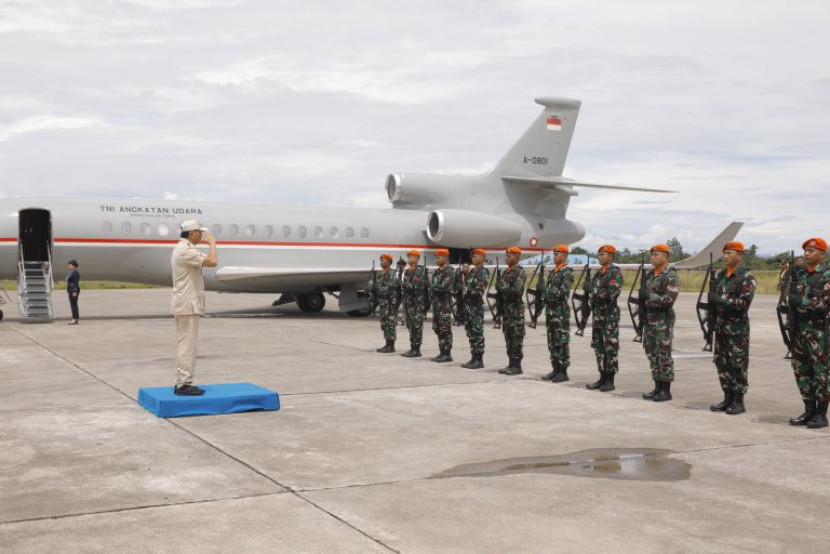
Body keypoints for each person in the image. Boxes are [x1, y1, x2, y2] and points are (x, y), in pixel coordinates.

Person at [707, 242, 757, 414]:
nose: (726, 256)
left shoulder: (746, 278)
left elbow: (743, 303)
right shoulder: (721, 276)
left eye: (729, 253)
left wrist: (719, 300)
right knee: (722, 362)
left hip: (737, 329)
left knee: (738, 363)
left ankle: (738, 400)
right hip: (721, 327)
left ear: (740, 255)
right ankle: (727, 397)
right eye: (725, 253)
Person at [786, 238, 830, 429]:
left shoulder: (826, 276)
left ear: (822, 254)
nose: (806, 254)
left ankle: (821, 413)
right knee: (801, 372)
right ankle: (808, 409)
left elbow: (823, 305)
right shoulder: (800, 275)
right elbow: (790, 302)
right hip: (799, 332)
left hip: (818, 332)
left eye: (811, 250)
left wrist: (801, 302)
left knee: (821, 373)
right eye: (805, 250)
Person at [171, 220, 218, 396]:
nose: (202, 235)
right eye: (200, 232)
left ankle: (183, 382)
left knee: (187, 344)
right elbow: (212, 261)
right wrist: (212, 241)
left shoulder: (183, 248)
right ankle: (183, 384)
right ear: (191, 234)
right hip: (187, 304)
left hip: (186, 303)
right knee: (187, 346)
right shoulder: (185, 250)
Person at [640, 244, 680, 402]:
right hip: (649, 320)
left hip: (662, 321)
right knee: (652, 354)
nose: (653, 257)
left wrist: (649, 296)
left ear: (665, 256)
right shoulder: (650, 274)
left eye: (656, 254)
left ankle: (666, 390)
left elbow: (669, 299)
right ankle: (657, 387)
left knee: (663, 355)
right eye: (652, 254)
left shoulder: (671, 275)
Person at [586, 244, 623, 391]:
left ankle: (610, 380)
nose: (600, 256)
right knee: (598, 347)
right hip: (597, 316)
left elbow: (611, 294)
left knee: (610, 347)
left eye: (603, 254)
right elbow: (594, 296)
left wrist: (593, 290)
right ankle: (602, 377)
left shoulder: (614, 273)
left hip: (609, 316)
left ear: (611, 256)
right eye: (599, 254)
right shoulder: (598, 273)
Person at [540, 245, 574, 382]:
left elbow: (563, 294)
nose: (554, 257)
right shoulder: (553, 272)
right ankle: (555, 369)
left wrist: (546, 292)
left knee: (562, 341)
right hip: (550, 312)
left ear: (564, 256)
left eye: (557, 254)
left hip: (560, 313)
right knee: (552, 341)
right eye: (554, 254)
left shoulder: (567, 273)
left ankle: (563, 372)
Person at [497, 246, 527, 376]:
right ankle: (511, 363)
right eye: (506, 255)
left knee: (516, 339)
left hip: (515, 312)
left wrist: (502, 286)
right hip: (507, 312)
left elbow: (517, 291)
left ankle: (517, 366)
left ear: (517, 256)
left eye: (509, 255)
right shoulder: (506, 272)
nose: (507, 257)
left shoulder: (520, 272)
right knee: (508, 338)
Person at [460, 248, 489, 369]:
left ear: (483, 257)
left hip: (476, 309)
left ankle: (479, 359)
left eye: (476, 256)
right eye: (473, 256)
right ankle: (473, 357)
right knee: (471, 334)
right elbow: (465, 287)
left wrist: (467, 291)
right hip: (468, 309)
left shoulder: (483, 272)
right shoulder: (472, 272)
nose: (474, 258)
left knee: (477, 334)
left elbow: (479, 290)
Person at [429, 249, 455, 362]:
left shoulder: (449, 271)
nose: (436, 260)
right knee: (438, 328)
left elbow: (443, 286)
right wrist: (434, 287)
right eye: (436, 258)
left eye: (438, 257)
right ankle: (442, 352)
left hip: (444, 305)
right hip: (436, 305)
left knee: (445, 329)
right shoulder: (437, 272)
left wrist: (434, 287)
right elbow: (433, 287)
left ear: (445, 258)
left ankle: (447, 353)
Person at [401, 249, 427, 358]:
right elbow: (405, 286)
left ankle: (416, 349)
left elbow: (415, 287)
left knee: (417, 326)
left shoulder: (419, 270)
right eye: (408, 257)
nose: (409, 259)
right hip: (409, 303)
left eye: (411, 257)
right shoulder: (407, 271)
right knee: (411, 326)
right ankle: (412, 347)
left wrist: (405, 285)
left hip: (417, 304)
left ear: (416, 258)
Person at [375, 253, 399, 353]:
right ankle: (387, 343)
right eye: (381, 260)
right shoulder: (380, 274)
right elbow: (378, 287)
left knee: (390, 324)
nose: (381, 261)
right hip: (382, 303)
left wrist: (381, 290)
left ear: (389, 262)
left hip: (390, 303)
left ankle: (391, 345)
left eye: (383, 260)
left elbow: (391, 287)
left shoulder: (392, 273)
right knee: (384, 323)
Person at [66, 260, 81, 325]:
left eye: (69, 264)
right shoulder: (71, 272)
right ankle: (75, 319)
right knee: (73, 304)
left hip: (73, 290)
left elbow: (75, 282)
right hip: (70, 289)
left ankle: (75, 319)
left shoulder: (75, 272)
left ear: (73, 265)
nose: (68, 266)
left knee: (74, 305)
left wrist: (74, 291)